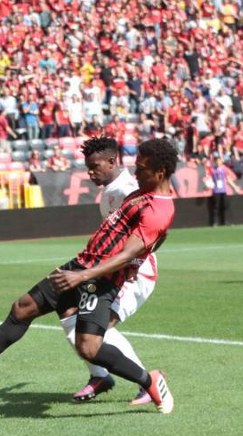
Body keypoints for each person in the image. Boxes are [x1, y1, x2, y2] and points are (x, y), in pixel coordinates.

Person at [0, 138, 179, 414]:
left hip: (101, 280)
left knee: (90, 347)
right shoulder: (140, 192)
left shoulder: (156, 207)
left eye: (141, 168)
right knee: (23, 308)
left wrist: (94, 274)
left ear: (160, 172)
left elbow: (128, 254)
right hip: (81, 266)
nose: (135, 172)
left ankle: (148, 380)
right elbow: (155, 238)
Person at [63, 136, 161, 405]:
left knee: (97, 329)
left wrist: (134, 264)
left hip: (134, 272)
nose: (90, 173)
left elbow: (152, 234)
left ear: (112, 161)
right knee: (71, 316)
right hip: (110, 270)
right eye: (88, 167)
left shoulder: (129, 190)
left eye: (95, 167)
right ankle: (100, 375)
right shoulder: (112, 191)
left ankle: (147, 382)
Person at [205, 153, 241, 227]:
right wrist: (208, 185)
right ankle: (215, 222)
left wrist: (235, 187)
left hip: (223, 190)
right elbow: (208, 179)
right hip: (216, 191)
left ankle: (226, 221)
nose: (218, 162)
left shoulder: (224, 169)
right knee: (216, 207)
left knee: (225, 206)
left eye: (219, 160)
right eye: (217, 160)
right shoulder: (212, 169)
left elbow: (228, 179)